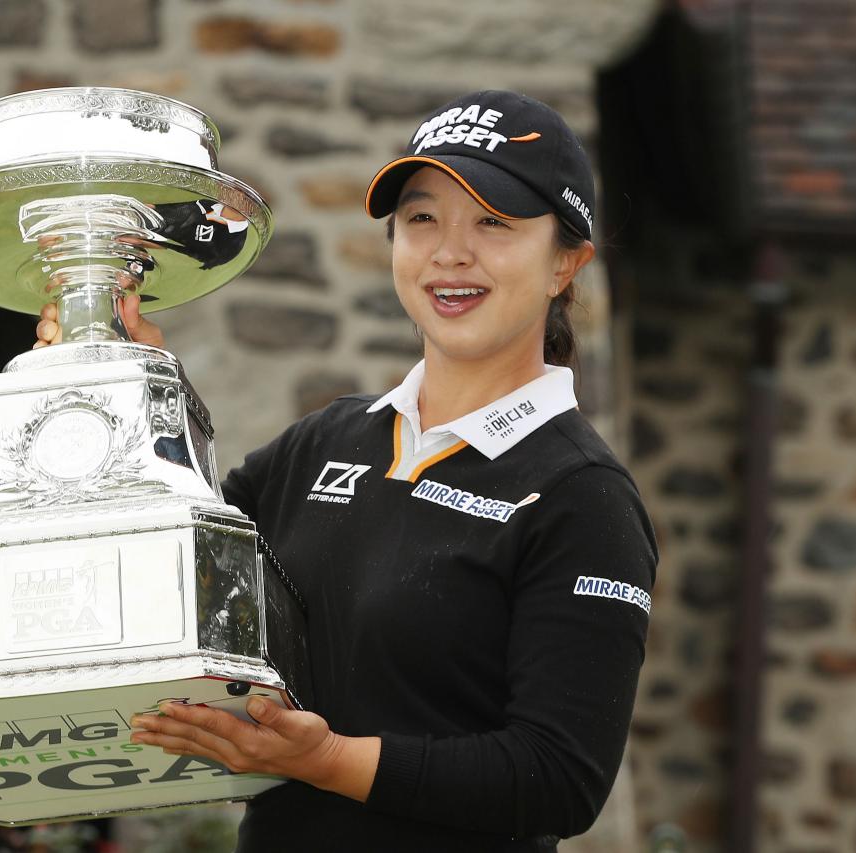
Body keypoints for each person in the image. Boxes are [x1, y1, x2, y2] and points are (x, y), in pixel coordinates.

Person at [35, 90, 658, 852]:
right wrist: (125, 380)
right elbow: (171, 576)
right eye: (423, 218)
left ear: (567, 262)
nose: (450, 253)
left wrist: (328, 760)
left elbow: (560, 776)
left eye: (493, 223)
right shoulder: (323, 442)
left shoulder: (582, 496)